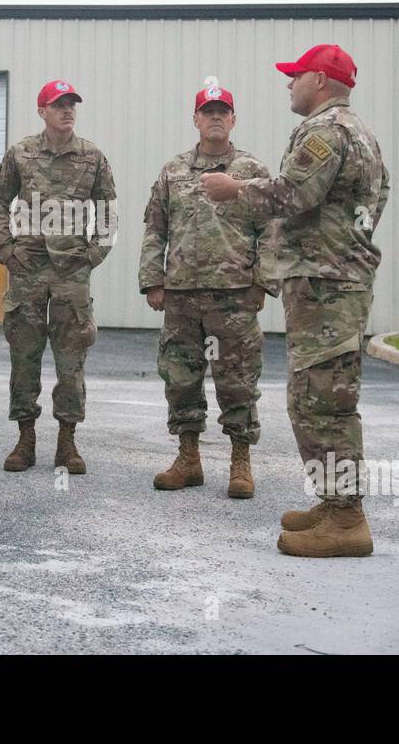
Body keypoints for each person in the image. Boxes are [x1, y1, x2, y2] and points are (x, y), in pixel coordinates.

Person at [202, 45, 390, 557]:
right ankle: (333, 505)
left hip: (326, 285)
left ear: (321, 82)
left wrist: (233, 189)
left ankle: (347, 518)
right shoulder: (361, 133)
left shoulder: (326, 130)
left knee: (322, 401)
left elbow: (294, 195)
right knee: (324, 396)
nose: (290, 84)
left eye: (296, 76)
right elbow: (369, 202)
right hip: (335, 278)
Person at [140, 85, 279, 499]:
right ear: (196, 119)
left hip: (234, 296)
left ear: (233, 119)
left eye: (223, 111)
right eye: (208, 111)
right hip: (181, 296)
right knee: (180, 378)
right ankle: (188, 460)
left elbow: (272, 230)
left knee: (236, 381)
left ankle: (240, 463)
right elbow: (155, 227)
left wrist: (262, 282)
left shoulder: (252, 170)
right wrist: (153, 279)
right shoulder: (173, 171)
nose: (215, 117)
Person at [0, 80, 117, 474]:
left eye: (71, 104)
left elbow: (108, 208)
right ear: (42, 110)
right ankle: (25, 439)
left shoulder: (92, 156)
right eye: (58, 104)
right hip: (27, 268)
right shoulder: (21, 153)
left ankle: (67, 443)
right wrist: (4, 250)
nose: (67, 110)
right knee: (23, 355)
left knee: (71, 358)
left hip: (70, 272)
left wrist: (94, 253)